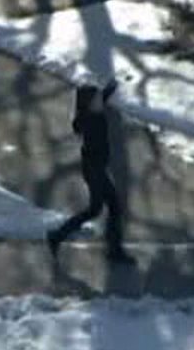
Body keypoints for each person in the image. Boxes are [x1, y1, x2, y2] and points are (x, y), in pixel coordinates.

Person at [46, 80, 134, 265]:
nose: (99, 101)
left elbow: (101, 98)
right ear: (88, 103)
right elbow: (82, 124)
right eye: (95, 99)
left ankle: (57, 236)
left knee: (96, 210)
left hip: (96, 168)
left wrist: (111, 87)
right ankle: (114, 251)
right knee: (111, 207)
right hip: (95, 170)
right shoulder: (89, 119)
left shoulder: (92, 111)